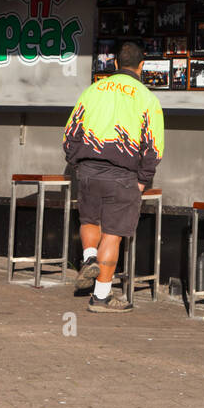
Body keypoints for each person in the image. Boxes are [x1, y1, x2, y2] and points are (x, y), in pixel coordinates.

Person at [63, 40, 164, 314]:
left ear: (115, 64)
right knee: (113, 234)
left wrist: (77, 162)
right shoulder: (146, 97)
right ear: (142, 66)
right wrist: (143, 179)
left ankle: (89, 257)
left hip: (87, 171)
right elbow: (154, 146)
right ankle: (101, 297)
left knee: (89, 219)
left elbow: (70, 133)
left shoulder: (92, 91)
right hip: (123, 175)